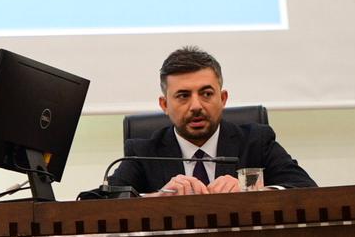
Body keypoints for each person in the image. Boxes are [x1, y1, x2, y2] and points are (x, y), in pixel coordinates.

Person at [108, 46, 316, 195]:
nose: (196, 106)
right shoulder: (143, 152)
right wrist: (158, 198)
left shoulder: (256, 141)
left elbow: (306, 189)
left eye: (206, 94)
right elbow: (101, 201)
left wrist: (251, 191)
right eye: (183, 96)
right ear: (164, 105)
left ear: (223, 98)